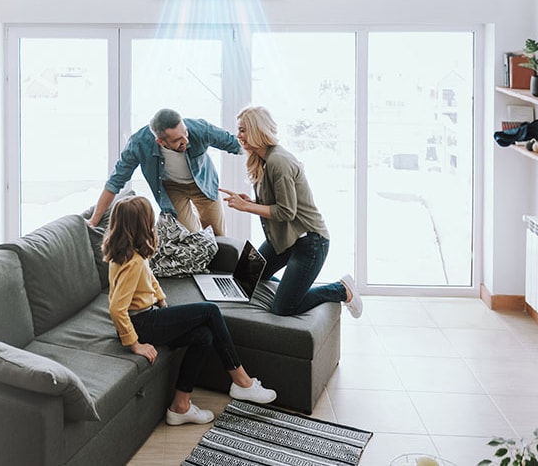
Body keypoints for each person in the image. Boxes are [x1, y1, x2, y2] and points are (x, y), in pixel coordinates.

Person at [103, 194, 277, 425]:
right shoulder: (132, 261)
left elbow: (149, 280)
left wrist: (163, 302)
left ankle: (180, 407)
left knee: (203, 336)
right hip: (142, 323)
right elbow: (116, 307)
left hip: (149, 316)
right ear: (141, 226)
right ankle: (241, 381)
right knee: (210, 312)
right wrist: (134, 343)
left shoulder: (130, 254)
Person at [220, 105, 363, 319]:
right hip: (285, 237)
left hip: (310, 241)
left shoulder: (279, 161)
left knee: (282, 309)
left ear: (258, 130)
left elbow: (286, 211)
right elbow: (276, 202)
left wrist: (247, 207)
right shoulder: (261, 159)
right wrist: (250, 201)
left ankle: (341, 289)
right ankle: (292, 289)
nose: (238, 135)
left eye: (243, 130)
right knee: (246, 277)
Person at [87, 108, 242, 235]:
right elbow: (115, 182)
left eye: (185, 134)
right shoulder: (139, 144)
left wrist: (263, 153)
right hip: (172, 188)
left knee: (218, 236)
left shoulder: (199, 129)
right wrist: (94, 221)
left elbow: (235, 144)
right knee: (190, 238)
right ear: (160, 141)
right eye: (177, 140)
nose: (185, 141)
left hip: (203, 184)